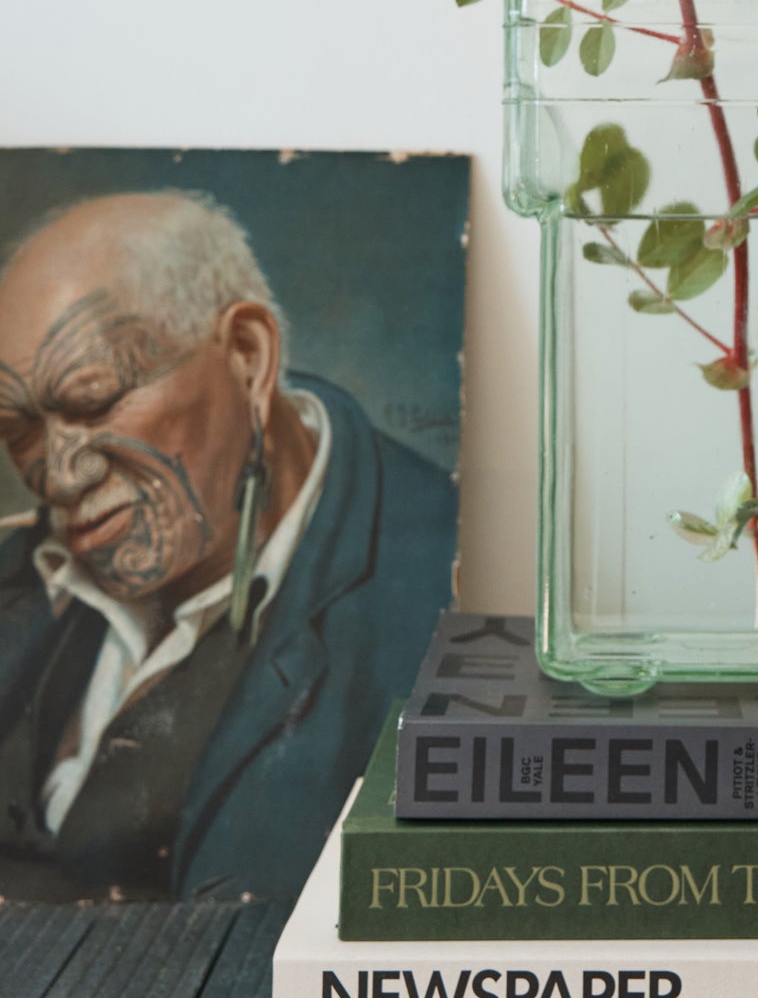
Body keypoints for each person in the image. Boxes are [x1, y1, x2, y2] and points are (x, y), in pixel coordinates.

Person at [0, 191, 458, 901]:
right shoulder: (21, 571)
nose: (58, 475)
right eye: (17, 427)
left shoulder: (439, 589)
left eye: (93, 401)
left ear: (247, 355)